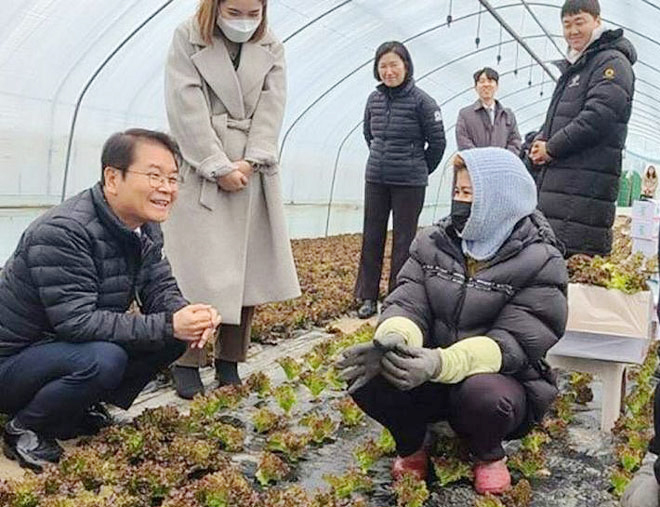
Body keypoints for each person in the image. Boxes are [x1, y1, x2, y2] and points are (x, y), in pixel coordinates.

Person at [338, 147, 568, 495]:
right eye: (457, 193)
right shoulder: (433, 241)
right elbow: (408, 300)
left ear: (501, 201)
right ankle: (412, 444)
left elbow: (514, 341)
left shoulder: (541, 259)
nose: (460, 204)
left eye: (470, 195)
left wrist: (441, 362)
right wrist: (395, 339)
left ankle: (488, 453)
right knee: (370, 376)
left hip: (499, 382)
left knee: (485, 397)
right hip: (429, 373)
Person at [0, 129, 220, 471]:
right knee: (104, 358)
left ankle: (74, 408)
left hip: (56, 351)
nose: (166, 188)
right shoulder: (64, 232)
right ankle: (25, 426)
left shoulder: (144, 227)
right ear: (112, 178)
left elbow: (158, 286)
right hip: (12, 361)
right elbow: (76, 322)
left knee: (172, 336)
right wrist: (168, 323)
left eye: (173, 178)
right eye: (154, 176)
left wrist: (187, 316)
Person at [163, 0, 300, 399]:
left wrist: (251, 160)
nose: (244, 22)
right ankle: (187, 360)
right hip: (202, 164)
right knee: (197, 271)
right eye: (234, 12)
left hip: (251, 170)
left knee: (246, 272)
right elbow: (185, 105)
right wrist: (216, 164)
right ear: (216, 6)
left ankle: (230, 361)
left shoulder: (271, 45)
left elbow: (273, 107)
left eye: (251, 13)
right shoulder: (187, 38)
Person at [530, 0, 636, 257]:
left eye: (580, 22)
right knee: (550, 267)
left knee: (571, 263)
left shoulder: (611, 62)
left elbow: (599, 116)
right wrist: (537, 141)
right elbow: (561, 117)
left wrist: (552, 148)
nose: (573, 31)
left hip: (582, 190)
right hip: (563, 188)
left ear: (597, 22)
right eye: (567, 25)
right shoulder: (579, 65)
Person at [355, 41, 446, 320]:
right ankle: (367, 296)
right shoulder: (374, 99)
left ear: (406, 66)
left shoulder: (423, 101)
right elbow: (369, 135)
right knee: (372, 236)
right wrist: (382, 159)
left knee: (404, 241)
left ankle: (397, 297)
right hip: (377, 178)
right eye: (383, 66)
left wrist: (417, 168)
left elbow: (438, 143)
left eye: (394, 64)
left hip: (410, 182)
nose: (389, 71)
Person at [455, 67, 521, 154]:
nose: (486, 85)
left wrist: (503, 158)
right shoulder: (465, 114)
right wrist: (482, 159)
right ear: (475, 87)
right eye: (482, 82)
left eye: (490, 81)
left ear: (496, 86)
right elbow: (463, 141)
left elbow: (515, 141)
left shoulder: (508, 115)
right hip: (476, 165)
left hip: (502, 165)